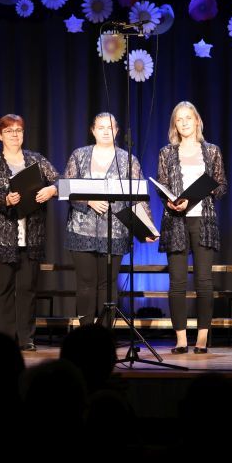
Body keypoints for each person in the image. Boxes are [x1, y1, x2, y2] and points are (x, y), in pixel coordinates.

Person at [63, 112, 153, 327]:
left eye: (110, 127)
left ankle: (104, 334)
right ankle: (86, 333)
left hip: (115, 231)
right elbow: (66, 188)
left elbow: (139, 196)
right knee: (85, 283)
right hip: (81, 230)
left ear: (117, 131)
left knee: (108, 284)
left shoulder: (128, 160)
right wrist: (89, 201)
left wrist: (147, 228)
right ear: (93, 130)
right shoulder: (79, 155)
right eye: (101, 127)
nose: (105, 131)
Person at [0, 114, 59, 351]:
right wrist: (5, 199)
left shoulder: (36, 159)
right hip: (1, 236)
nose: (14, 135)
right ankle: (4, 340)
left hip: (31, 234)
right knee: (2, 290)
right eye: (9, 131)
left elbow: (60, 180)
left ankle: (26, 338)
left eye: (18, 130)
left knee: (27, 290)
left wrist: (51, 190)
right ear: (0, 136)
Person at [156, 101, 228, 354]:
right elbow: (162, 185)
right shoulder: (166, 152)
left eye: (188, 118)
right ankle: (180, 339)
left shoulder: (212, 151)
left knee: (204, 281)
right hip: (175, 220)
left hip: (203, 220)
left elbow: (221, 186)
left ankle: (202, 338)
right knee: (176, 281)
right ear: (174, 125)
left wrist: (198, 194)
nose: (184, 122)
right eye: (179, 119)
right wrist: (169, 201)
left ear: (197, 120)